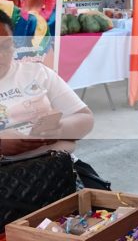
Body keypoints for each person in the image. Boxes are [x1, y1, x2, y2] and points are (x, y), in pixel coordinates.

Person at [0, 10, 94, 158]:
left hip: (56, 168)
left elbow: (84, 118)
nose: (1, 55)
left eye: (6, 46)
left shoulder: (36, 72)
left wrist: (59, 130)